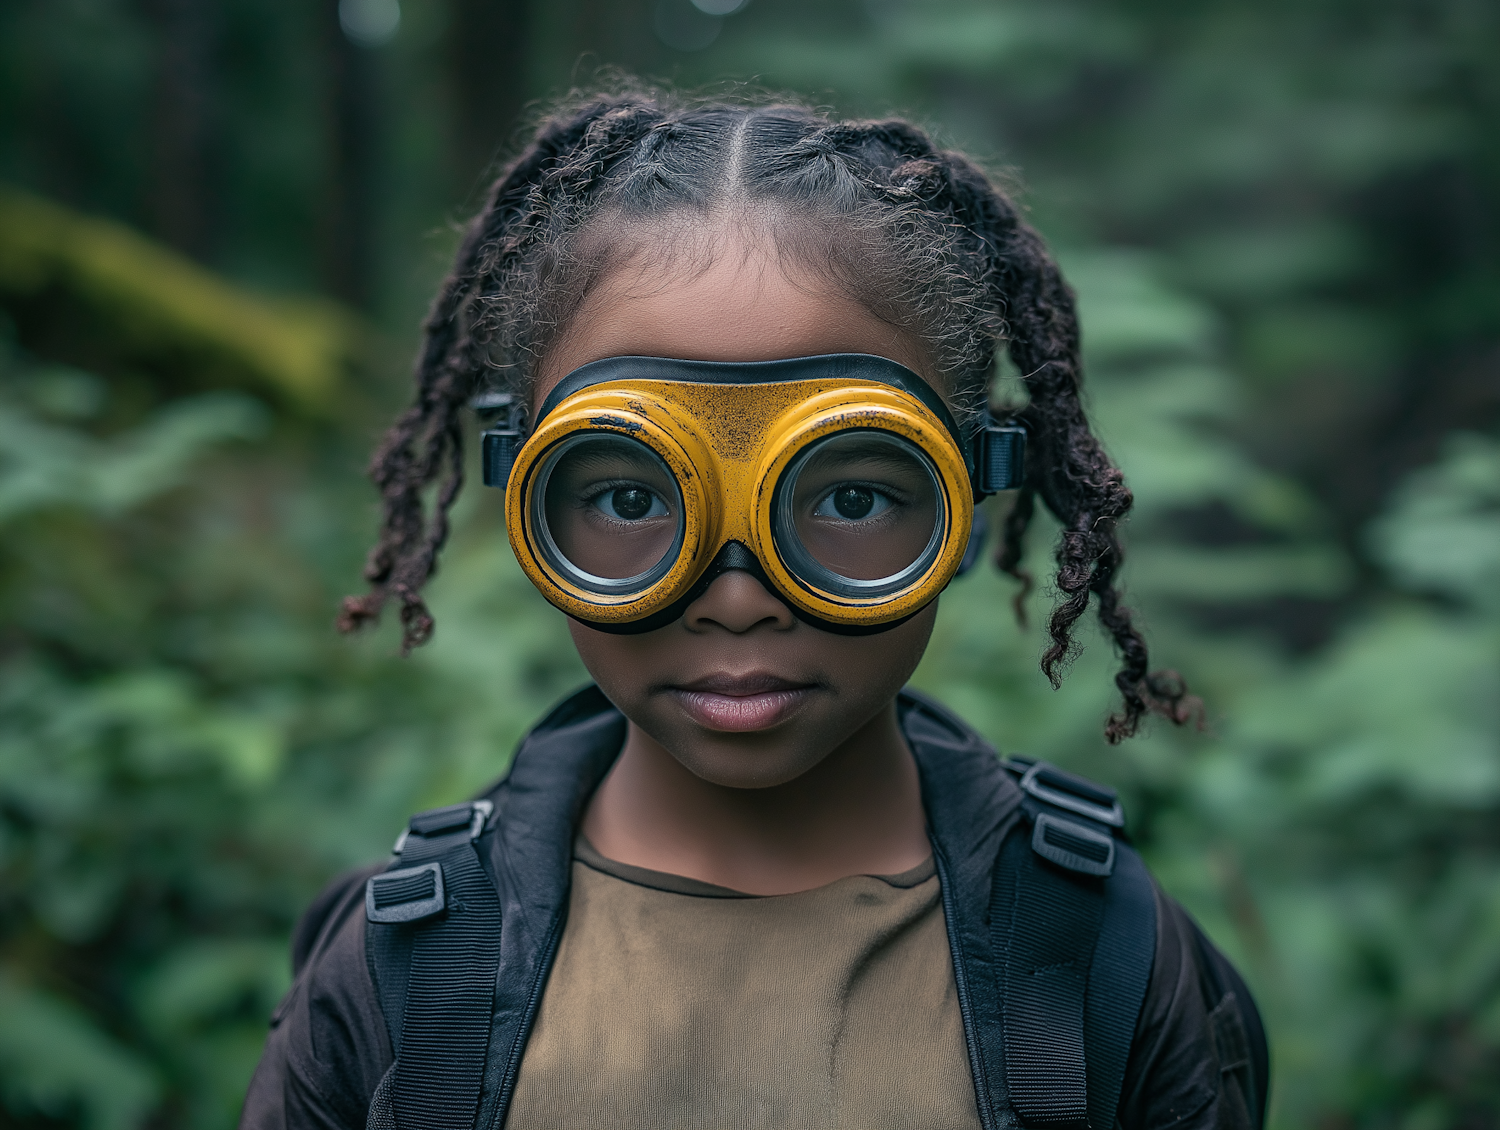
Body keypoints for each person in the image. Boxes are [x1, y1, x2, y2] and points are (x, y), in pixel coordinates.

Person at [240, 87, 1268, 1130]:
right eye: (633, 495)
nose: (738, 596)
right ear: (525, 495)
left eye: (852, 495)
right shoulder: (412, 964)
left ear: (964, 500)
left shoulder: (1099, 955)